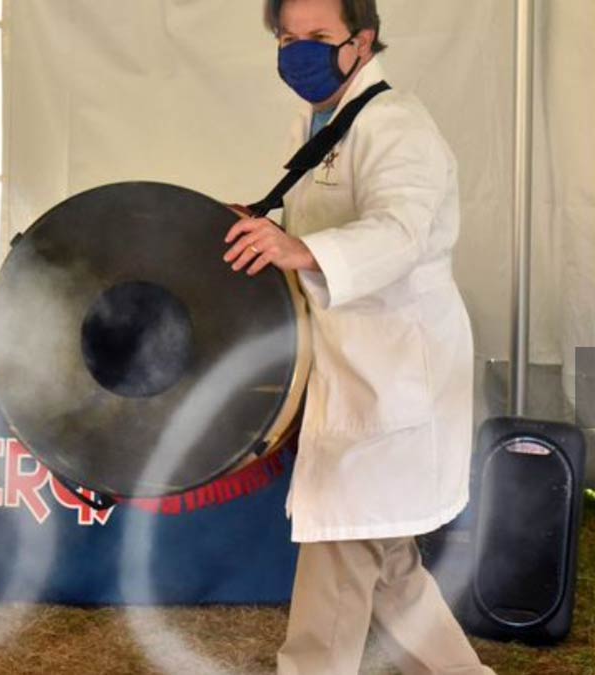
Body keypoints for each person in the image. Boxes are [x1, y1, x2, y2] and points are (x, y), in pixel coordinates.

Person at [222, 1, 494, 673]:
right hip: (355, 374)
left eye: (318, 37)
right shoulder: (323, 124)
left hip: (395, 381)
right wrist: (261, 222)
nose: (297, 51)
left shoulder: (399, 126)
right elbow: (315, 213)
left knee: (337, 574)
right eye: (287, 38)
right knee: (391, 570)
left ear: (362, 40)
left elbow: (398, 233)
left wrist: (300, 249)